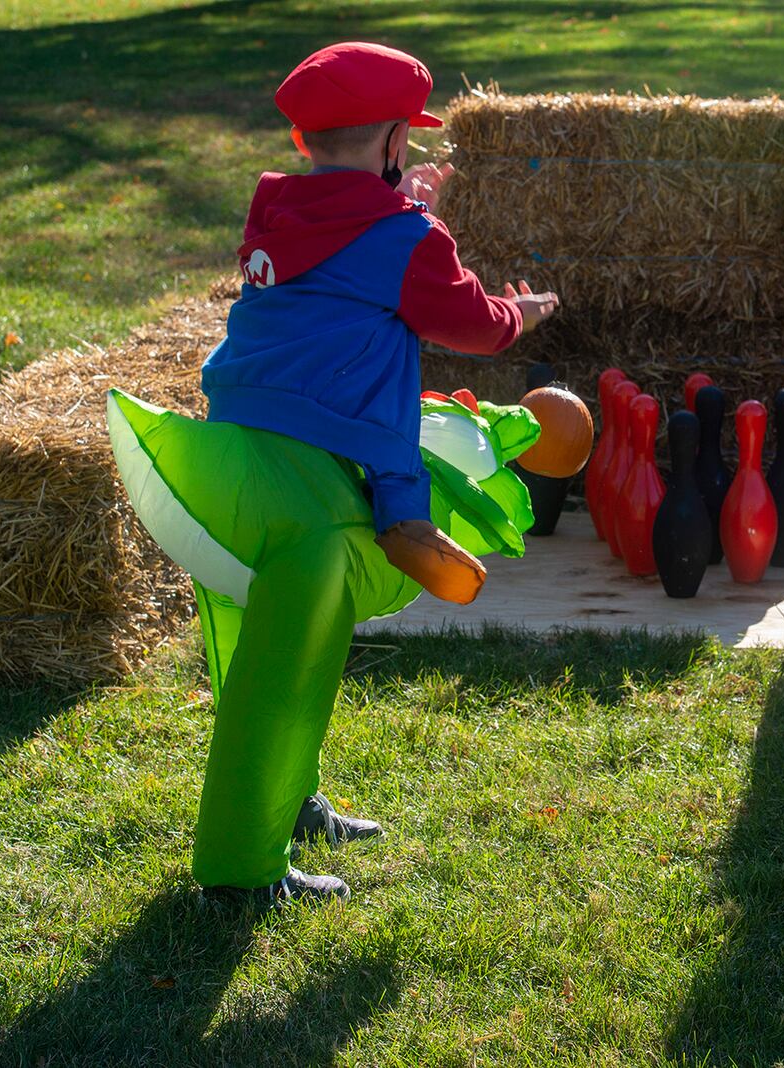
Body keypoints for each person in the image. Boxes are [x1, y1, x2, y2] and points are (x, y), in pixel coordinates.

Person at [166, 41, 557, 906]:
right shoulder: (409, 239)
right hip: (314, 475)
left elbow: (339, 255)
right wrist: (521, 312)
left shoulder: (275, 213)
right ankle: (239, 869)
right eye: (405, 143)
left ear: (305, 140)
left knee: (265, 642)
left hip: (233, 448)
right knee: (285, 662)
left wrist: (394, 209)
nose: (411, 157)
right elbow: (474, 325)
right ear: (389, 144)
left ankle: (291, 800)